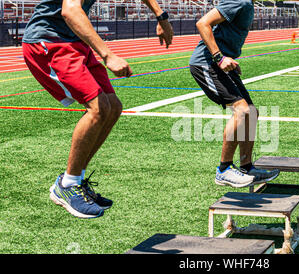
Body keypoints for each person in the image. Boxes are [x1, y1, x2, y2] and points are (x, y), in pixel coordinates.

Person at [22, 0, 173, 218]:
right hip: (49, 42)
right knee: (99, 108)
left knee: (113, 107)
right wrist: (108, 55)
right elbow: (70, 10)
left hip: (73, 41)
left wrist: (161, 16)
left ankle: (75, 179)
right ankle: (67, 185)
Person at [189, 0, 279, 188]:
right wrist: (219, 57)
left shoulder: (247, 3)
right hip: (207, 63)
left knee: (252, 113)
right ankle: (224, 169)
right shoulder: (240, 0)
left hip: (221, 65)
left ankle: (246, 167)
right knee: (242, 111)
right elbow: (202, 23)